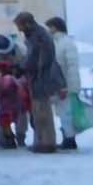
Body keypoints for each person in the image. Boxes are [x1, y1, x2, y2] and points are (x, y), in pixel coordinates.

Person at [14, 11, 65, 154]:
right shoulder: (36, 35)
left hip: (42, 78)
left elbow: (36, 59)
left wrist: (22, 68)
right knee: (38, 112)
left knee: (42, 111)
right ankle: (42, 141)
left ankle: (46, 142)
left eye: (20, 26)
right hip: (38, 77)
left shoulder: (39, 36)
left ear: (27, 23)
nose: (19, 29)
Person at [45, 16, 82, 150]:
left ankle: (69, 139)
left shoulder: (66, 43)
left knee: (66, 113)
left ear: (55, 27)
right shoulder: (57, 43)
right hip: (60, 83)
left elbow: (72, 66)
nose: (48, 30)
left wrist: (71, 86)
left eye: (50, 27)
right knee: (63, 112)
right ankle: (68, 137)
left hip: (65, 84)